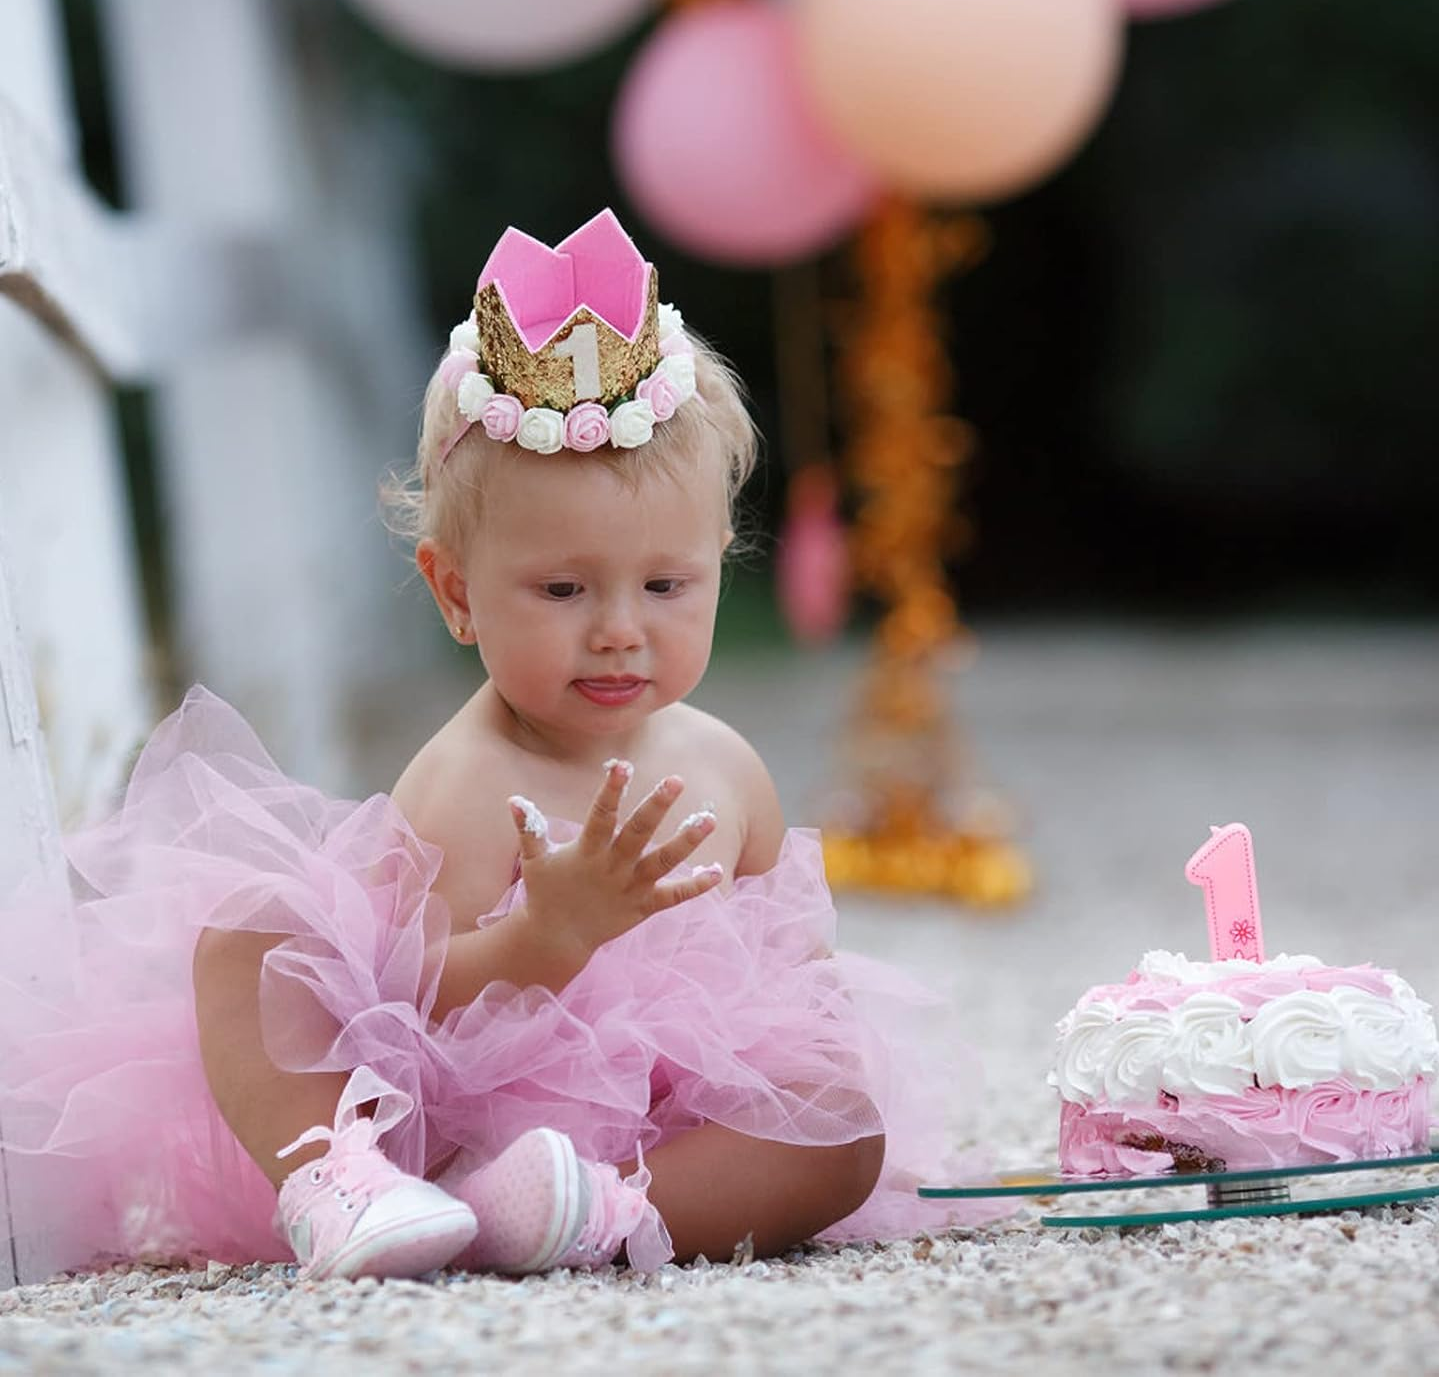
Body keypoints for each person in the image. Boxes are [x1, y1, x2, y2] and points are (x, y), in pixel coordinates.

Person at [0, 210, 980, 1283]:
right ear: (455, 593)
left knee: (840, 1131)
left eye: (666, 585)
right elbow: (400, 1015)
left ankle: (597, 1215)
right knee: (247, 942)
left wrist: (810, 1049)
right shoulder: (467, 781)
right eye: (562, 590)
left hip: (656, 1132)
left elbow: (794, 978)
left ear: (719, 564)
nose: (618, 627)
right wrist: (547, 936)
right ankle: (345, 1184)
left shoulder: (724, 767)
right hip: (447, 1133)